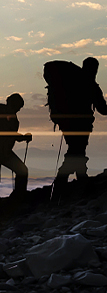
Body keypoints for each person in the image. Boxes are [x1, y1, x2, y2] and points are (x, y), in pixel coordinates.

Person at [45, 57, 107, 192]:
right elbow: (103, 109)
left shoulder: (72, 82)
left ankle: (80, 178)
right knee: (76, 151)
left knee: (77, 151)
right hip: (82, 125)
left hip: (67, 124)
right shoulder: (91, 86)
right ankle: (62, 182)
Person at [0, 93, 32, 204]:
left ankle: (18, 196)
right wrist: (23, 137)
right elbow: (6, 133)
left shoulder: (7, 116)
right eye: (18, 107)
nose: (18, 110)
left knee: (18, 172)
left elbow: (9, 134)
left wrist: (22, 137)